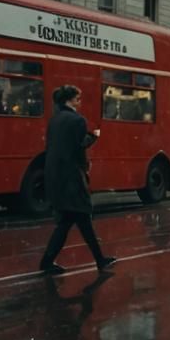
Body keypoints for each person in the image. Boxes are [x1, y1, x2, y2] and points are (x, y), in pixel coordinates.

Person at [39, 85, 116, 275]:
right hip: (71, 176)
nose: (80, 102)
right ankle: (99, 260)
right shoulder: (77, 120)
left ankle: (50, 261)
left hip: (55, 174)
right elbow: (78, 148)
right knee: (79, 216)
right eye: (78, 99)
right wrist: (93, 137)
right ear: (70, 100)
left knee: (70, 220)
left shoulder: (54, 120)